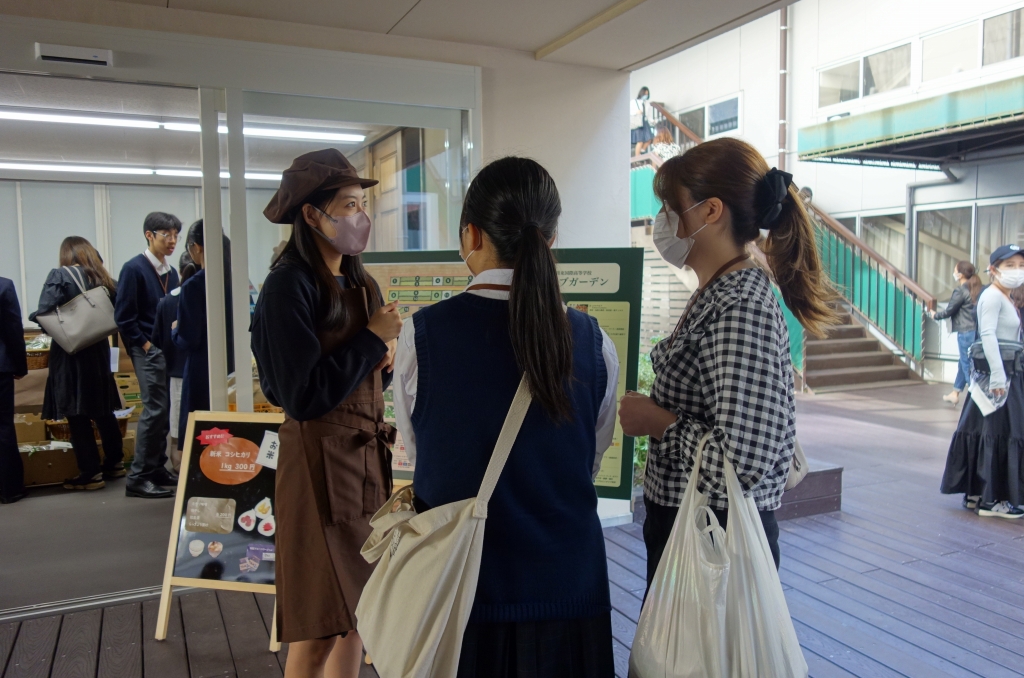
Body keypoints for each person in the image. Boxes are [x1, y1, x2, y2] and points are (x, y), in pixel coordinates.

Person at [392, 157, 620, 677]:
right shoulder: (593, 341)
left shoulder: (421, 337)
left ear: (471, 235)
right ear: (552, 238)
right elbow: (590, 456)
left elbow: (422, 450)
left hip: (459, 595)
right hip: (569, 591)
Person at [617, 138, 837, 589]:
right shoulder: (718, 290)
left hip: (713, 543)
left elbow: (741, 465)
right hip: (695, 530)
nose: (664, 221)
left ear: (711, 211)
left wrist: (656, 421)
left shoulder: (741, 305)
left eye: (672, 208)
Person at [251, 148, 402, 678]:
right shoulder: (286, 286)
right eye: (348, 205)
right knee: (318, 625)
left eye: (363, 204)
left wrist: (382, 360)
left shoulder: (362, 283)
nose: (360, 216)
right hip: (315, 471)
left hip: (363, 467)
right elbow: (301, 395)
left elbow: (366, 378)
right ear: (312, 215)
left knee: (361, 615)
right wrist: (370, 342)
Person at [29, 237, 124, 491]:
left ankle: (90, 473)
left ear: (66, 254)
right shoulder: (104, 278)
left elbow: (44, 312)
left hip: (71, 354)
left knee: (77, 413)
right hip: (99, 352)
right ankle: (115, 463)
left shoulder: (60, 276)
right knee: (103, 410)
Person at [941, 244, 1024, 518]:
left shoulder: (1004, 297)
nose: (1017, 270)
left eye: (1020, 265)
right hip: (999, 377)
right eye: (1010, 265)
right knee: (1002, 432)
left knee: (988, 431)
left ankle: (978, 493)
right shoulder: (992, 297)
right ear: (993, 269)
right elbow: (987, 334)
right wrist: (999, 375)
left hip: (1001, 375)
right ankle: (993, 500)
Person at [114, 212, 181, 498]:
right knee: (154, 409)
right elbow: (123, 317)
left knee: (164, 411)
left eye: (176, 235)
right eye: (166, 235)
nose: (173, 240)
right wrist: (146, 346)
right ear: (149, 235)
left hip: (166, 349)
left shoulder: (171, 272)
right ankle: (138, 477)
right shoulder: (134, 269)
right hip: (147, 349)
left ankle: (155, 467)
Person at [172, 220, 234, 447]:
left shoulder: (194, 286)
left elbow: (189, 338)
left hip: (203, 367)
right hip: (234, 364)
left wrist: (175, 331)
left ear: (196, 247)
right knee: (232, 428)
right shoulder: (237, 281)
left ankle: (206, 465)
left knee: (203, 432)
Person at [151, 254, 197, 470]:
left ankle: (181, 469)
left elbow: (157, 340)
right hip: (209, 372)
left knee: (179, 424)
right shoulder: (210, 297)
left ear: (179, 272)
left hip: (177, 372)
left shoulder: (167, 301)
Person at [931, 261, 982, 405]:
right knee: (964, 361)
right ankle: (955, 393)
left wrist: (935, 315)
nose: (954, 273)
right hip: (977, 331)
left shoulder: (961, 291)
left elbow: (949, 311)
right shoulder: (979, 288)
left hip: (965, 332)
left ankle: (977, 399)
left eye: (955, 270)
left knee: (967, 364)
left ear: (960, 275)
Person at [0, 276, 27, 504]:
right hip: (0, 367)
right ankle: (10, 489)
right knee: (3, 425)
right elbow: (13, 328)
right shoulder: (3, 286)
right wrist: (20, 365)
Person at [631, 86, 655, 157]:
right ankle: (637, 157)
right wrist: (636, 112)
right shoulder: (634, 102)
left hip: (645, 122)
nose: (646, 95)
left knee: (649, 139)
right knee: (640, 141)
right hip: (638, 122)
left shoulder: (647, 103)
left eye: (647, 94)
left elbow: (649, 115)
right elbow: (629, 111)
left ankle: (641, 151)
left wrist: (652, 121)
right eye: (645, 94)